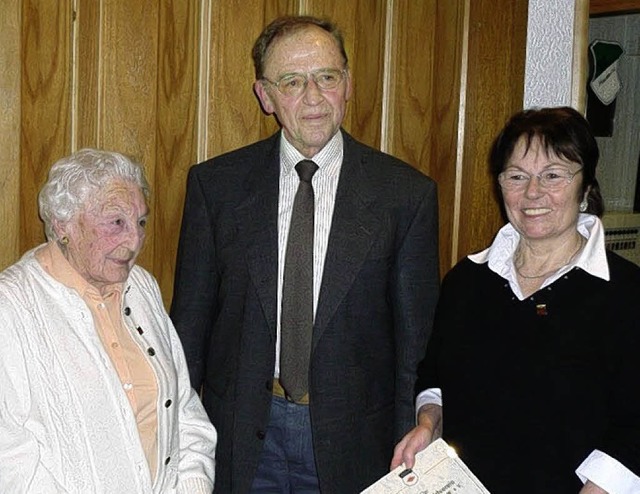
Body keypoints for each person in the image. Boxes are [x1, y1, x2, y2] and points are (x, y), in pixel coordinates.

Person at [170, 15, 440, 493]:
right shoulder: (216, 187)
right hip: (241, 435)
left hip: (356, 441)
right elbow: (189, 328)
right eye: (292, 82)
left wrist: (411, 443)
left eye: (327, 77)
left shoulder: (405, 195)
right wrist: (176, 440)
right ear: (265, 96)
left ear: (348, 84)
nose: (313, 97)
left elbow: (415, 347)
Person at [392, 107, 640, 494]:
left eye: (553, 175)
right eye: (517, 176)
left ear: (586, 186)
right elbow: (434, 378)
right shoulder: (466, 281)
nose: (533, 193)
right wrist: (429, 423)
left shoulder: (626, 293)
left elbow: (635, 424)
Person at [0, 149, 217, 493]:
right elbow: (9, 460)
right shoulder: (12, 308)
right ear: (62, 224)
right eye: (116, 222)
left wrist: (193, 485)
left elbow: (182, 408)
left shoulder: (141, 286)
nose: (134, 240)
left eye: (140, 222)